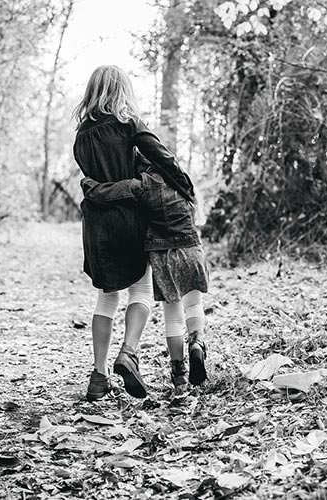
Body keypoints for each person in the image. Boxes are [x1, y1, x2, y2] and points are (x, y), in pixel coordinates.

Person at [73, 65, 195, 401]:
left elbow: (89, 178)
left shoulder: (82, 134)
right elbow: (161, 156)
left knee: (106, 296)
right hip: (129, 218)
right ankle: (128, 353)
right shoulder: (129, 125)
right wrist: (184, 186)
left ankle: (99, 376)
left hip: (96, 225)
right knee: (140, 290)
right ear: (120, 91)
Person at [81, 158, 208, 396]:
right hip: (193, 252)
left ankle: (179, 374)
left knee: (172, 316)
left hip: (165, 259)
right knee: (194, 306)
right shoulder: (184, 184)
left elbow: (118, 191)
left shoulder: (147, 184)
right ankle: (197, 343)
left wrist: (92, 187)